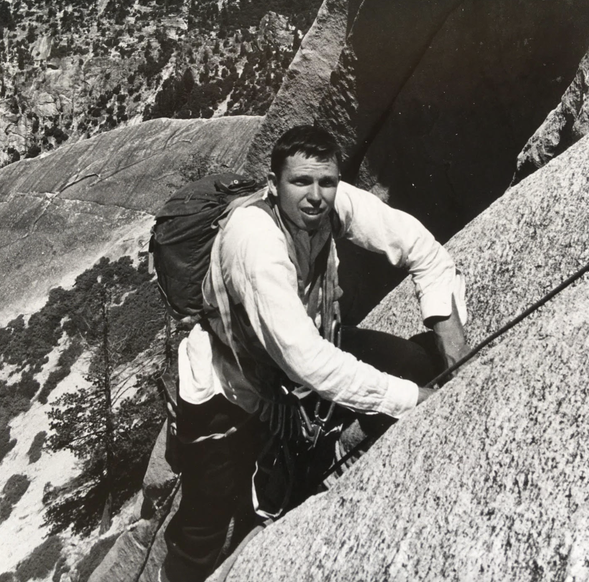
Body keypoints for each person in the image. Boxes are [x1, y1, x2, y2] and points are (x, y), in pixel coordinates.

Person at [162, 125, 469, 582]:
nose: (315, 196)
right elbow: (302, 358)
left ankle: (322, 459)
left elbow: (420, 247)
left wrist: (453, 345)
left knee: (416, 364)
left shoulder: (333, 203)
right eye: (300, 182)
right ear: (273, 184)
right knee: (205, 526)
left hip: (303, 352)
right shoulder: (255, 241)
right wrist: (411, 401)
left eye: (326, 182)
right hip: (231, 389)